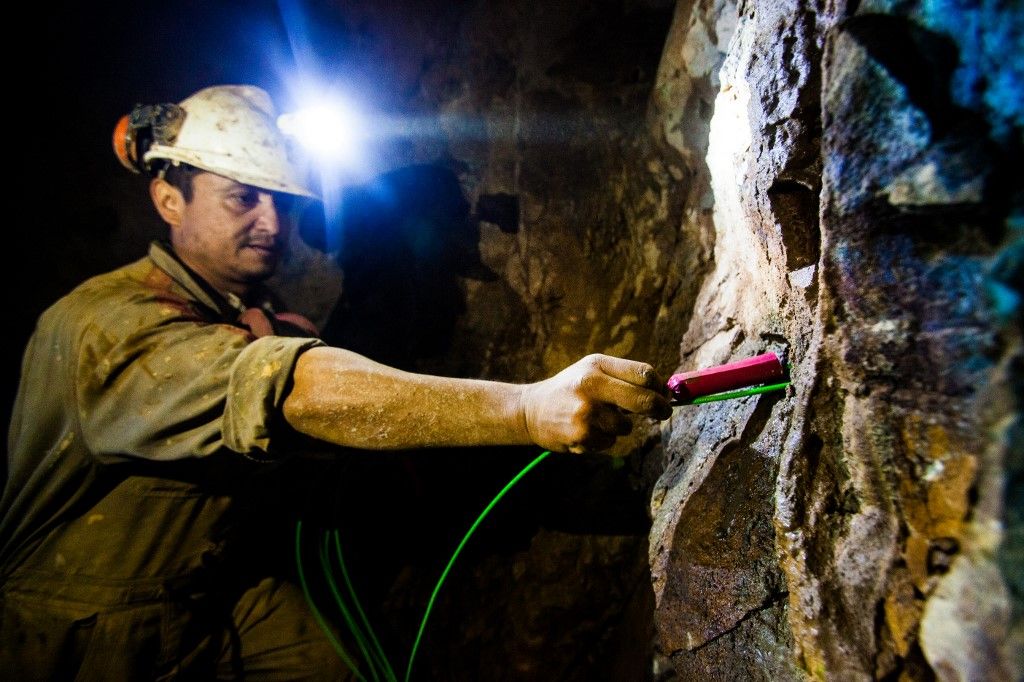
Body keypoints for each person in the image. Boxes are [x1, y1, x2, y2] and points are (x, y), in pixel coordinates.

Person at [0, 85, 671, 680]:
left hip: (214, 597)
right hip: (82, 628)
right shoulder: (108, 325)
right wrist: (525, 410)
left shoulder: (255, 319)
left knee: (341, 661)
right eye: (242, 197)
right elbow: (289, 390)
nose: (270, 221)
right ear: (169, 198)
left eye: (283, 201)